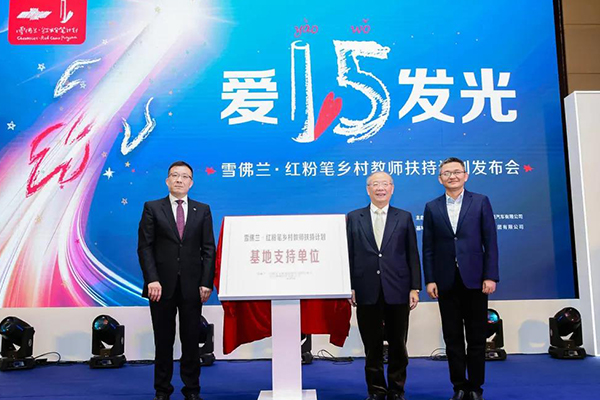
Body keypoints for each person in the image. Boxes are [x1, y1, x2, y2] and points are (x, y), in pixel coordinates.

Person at [422, 157, 499, 400]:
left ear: (465, 175)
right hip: (445, 281)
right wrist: (430, 279)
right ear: (440, 178)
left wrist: (490, 276)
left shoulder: (481, 201)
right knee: (452, 337)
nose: (452, 176)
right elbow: (428, 247)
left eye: (456, 172)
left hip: (475, 279)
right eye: (447, 173)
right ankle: (459, 387)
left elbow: (490, 242)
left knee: (476, 337)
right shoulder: (432, 207)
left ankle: (475, 387)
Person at [138, 161, 216, 400]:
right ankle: (162, 390)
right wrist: (152, 279)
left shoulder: (202, 210)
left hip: (193, 286)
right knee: (163, 341)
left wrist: (206, 282)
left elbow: (208, 249)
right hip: (160, 287)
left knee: (191, 340)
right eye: (174, 175)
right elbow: (145, 247)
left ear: (191, 183)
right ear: (167, 181)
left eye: (184, 176)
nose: (179, 180)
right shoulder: (152, 208)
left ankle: (191, 390)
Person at [347, 171, 422, 400]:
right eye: (375, 184)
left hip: (398, 288)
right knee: (372, 346)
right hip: (366, 289)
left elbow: (412, 253)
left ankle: (397, 390)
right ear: (368, 189)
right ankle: (376, 390)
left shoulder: (404, 217)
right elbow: (348, 254)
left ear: (392, 188)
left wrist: (414, 287)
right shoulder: (354, 217)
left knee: (398, 344)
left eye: (385, 184)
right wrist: (349, 286)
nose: (380, 188)